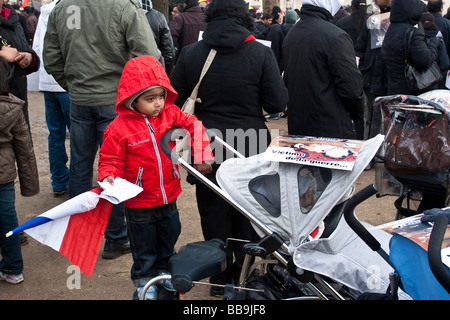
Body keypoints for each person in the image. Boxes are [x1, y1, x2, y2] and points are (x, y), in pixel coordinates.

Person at [170, 0, 288, 296]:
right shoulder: (260, 53)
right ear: (243, 16)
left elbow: (174, 99)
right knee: (248, 211)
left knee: (213, 213)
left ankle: (218, 278)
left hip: (204, 145)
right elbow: (277, 103)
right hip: (250, 145)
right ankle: (242, 275)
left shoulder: (191, 52)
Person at [44, 0, 161, 259]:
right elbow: (148, 54)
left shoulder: (63, 8)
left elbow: (52, 59)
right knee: (115, 168)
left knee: (81, 166)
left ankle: (78, 235)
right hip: (112, 100)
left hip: (82, 99)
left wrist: (75, 85)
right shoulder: (122, 6)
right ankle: (116, 237)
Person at [98, 55, 214, 300]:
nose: (158, 103)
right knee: (144, 246)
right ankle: (145, 281)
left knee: (169, 235)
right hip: (139, 201)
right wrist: (108, 175)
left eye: (161, 96)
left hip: (168, 194)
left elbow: (193, 124)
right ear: (132, 100)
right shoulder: (118, 128)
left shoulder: (171, 114)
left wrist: (201, 153)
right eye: (150, 99)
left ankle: (166, 274)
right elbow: (111, 159)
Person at [283, 0, 364, 139]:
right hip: (331, 129)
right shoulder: (336, 36)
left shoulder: (292, 34)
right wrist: (358, 115)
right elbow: (352, 89)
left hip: (299, 127)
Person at [0, 56, 39, 285]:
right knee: (7, 220)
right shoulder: (12, 108)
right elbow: (24, 150)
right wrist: (30, 185)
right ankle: (13, 268)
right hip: (4, 177)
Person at [32, 0, 71, 198]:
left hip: (49, 80)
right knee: (79, 136)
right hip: (67, 80)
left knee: (55, 134)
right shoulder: (74, 11)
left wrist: (41, 79)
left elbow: (38, 46)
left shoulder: (46, 11)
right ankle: (76, 182)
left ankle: (59, 180)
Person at [381, 0, 440, 96]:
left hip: (393, 89)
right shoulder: (412, 32)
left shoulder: (391, 29)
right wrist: (434, 44)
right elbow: (424, 60)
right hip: (411, 90)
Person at [0, 0, 40, 129]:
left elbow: (24, 47)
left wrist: (29, 57)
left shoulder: (13, 17)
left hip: (17, 99)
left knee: (21, 144)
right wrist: (2, 55)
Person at [355, 0, 390, 140]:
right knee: (369, 117)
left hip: (389, 79)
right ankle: (370, 153)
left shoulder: (403, 21)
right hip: (371, 79)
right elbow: (360, 49)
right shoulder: (372, 20)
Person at [142, 0, 176, 75]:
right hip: (152, 74)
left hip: (123, 75)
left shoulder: (118, 15)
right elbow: (169, 54)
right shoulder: (159, 17)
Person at [421, 12, 449, 89]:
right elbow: (445, 63)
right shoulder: (439, 40)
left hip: (418, 80)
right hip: (435, 80)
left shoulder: (417, 40)